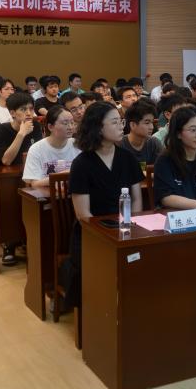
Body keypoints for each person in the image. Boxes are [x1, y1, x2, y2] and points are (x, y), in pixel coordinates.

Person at [65, 102, 145, 308]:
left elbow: (137, 199)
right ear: (98, 127)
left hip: (126, 228)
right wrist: (107, 236)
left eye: (121, 121)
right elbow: (83, 214)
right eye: (115, 122)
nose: (121, 127)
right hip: (93, 233)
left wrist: (132, 226)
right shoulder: (82, 164)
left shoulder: (127, 158)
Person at [23, 105, 79, 196]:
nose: (70, 127)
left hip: (74, 195)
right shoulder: (36, 149)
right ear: (50, 127)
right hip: (48, 197)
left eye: (72, 122)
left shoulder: (78, 145)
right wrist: (61, 176)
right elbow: (35, 184)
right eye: (65, 123)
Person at [0, 92, 41, 166]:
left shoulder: (35, 126)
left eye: (31, 109)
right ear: (12, 113)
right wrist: (21, 134)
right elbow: (6, 161)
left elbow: (40, 154)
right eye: (23, 109)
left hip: (31, 169)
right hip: (9, 171)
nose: (29, 113)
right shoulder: (0, 130)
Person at [119, 100, 163, 165]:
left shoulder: (154, 143)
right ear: (133, 125)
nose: (152, 127)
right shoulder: (120, 145)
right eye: (147, 123)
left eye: (152, 122)